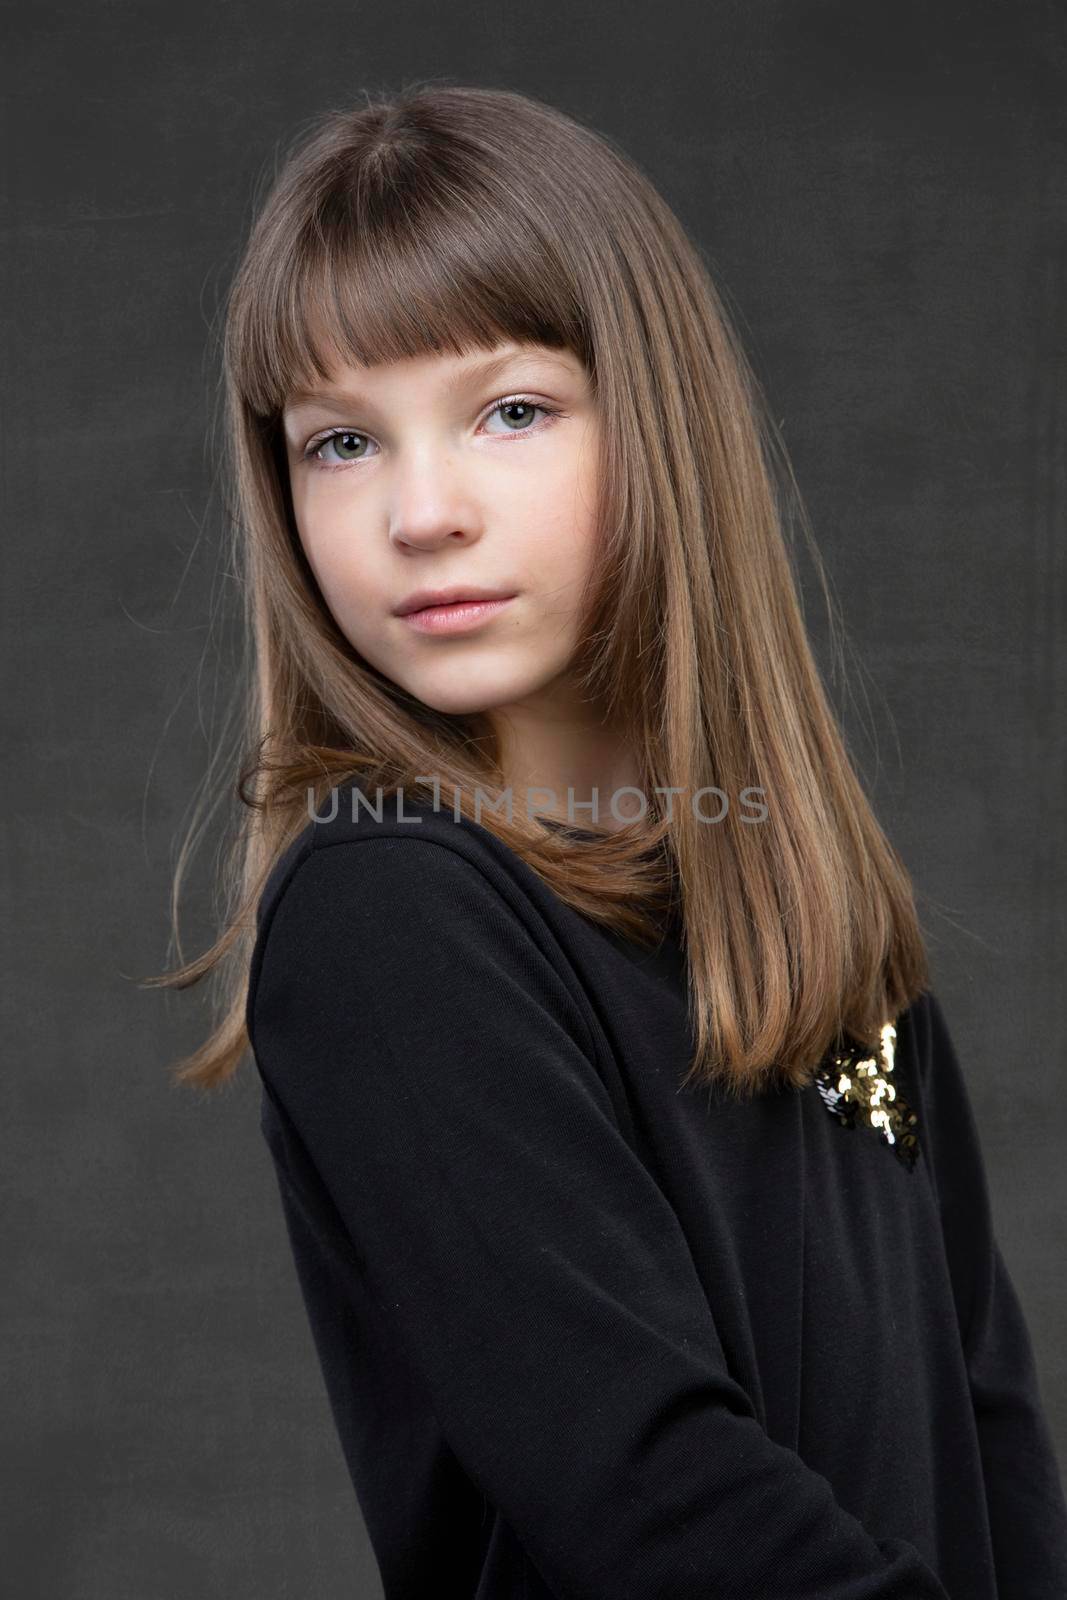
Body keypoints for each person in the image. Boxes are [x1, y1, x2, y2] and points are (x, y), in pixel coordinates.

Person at [153, 82, 1067, 1596]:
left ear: (659, 419)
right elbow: (651, 1496)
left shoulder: (803, 891)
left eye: (509, 412)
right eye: (340, 443)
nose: (421, 512)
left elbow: (990, 1421)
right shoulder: (389, 904)